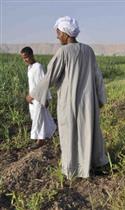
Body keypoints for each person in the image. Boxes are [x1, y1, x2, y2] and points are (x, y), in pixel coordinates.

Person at [26, 16, 109, 178]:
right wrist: (100, 98)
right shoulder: (88, 50)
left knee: (70, 135)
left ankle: (73, 170)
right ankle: (97, 164)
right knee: (89, 132)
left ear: (65, 33)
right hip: (88, 102)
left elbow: (50, 76)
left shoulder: (63, 52)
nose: (57, 36)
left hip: (69, 103)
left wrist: (33, 94)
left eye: (58, 32)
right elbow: (97, 76)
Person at [21, 46, 56, 149]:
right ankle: (51, 132)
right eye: (23, 58)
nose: (25, 60)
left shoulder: (38, 66)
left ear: (31, 55)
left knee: (38, 118)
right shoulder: (30, 67)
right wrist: (29, 96)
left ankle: (39, 141)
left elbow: (43, 83)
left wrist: (45, 98)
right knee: (40, 117)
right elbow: (32, 84)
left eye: (26, 57)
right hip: (32, 98)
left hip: (38, 98)